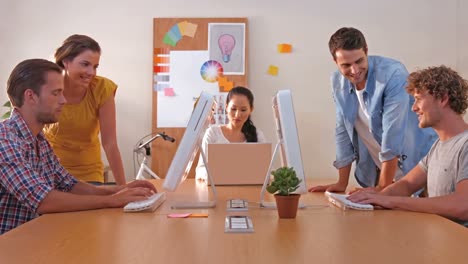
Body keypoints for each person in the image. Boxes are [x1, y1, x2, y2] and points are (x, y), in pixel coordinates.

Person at [0, 59, 157, 234]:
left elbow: (68, 184)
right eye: (56, 93)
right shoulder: (4, 140)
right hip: (11, 247)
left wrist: (121, 189)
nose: (64, 100)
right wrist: (112, 200)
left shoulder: (39, 139)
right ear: (31, 96)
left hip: (37, 237)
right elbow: (43, 200)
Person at [309, 27, 437, 193]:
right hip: (387, 174)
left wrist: (382, 189)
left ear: (366, 50)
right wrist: (341, 183)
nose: (354, 71)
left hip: (422, 168)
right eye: (346, 65)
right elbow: (343, 131)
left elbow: (393, 132)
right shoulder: (337, 82)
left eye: (359, 61)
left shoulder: (393, 74)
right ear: (335, 62)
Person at [348, 65, 468, 225]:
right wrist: (376, 197)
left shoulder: (465, 145)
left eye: (419, 99)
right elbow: (407, 184)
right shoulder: (439, 146)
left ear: (443, 99)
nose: (413, 107)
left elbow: (463, 206)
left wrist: (392, 202)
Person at [43, 35, 126, 185]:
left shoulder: (102, 89)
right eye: (85, 64)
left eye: (95, 66)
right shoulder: (48, 87)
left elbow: (110, 143)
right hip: (50, 170)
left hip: (89, 171)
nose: (91, 72)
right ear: (66, 61)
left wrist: (123, 187)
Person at [195, 87, 266, 180]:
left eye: (243, 110)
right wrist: (213, 176)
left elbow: (266, 169)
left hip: (249, 191)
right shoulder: (213, 133)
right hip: (216, 191)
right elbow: (200, 169)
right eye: (233, 109)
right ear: (226, 107)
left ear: (251, 109)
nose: (237, 115)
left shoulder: (258, 135)